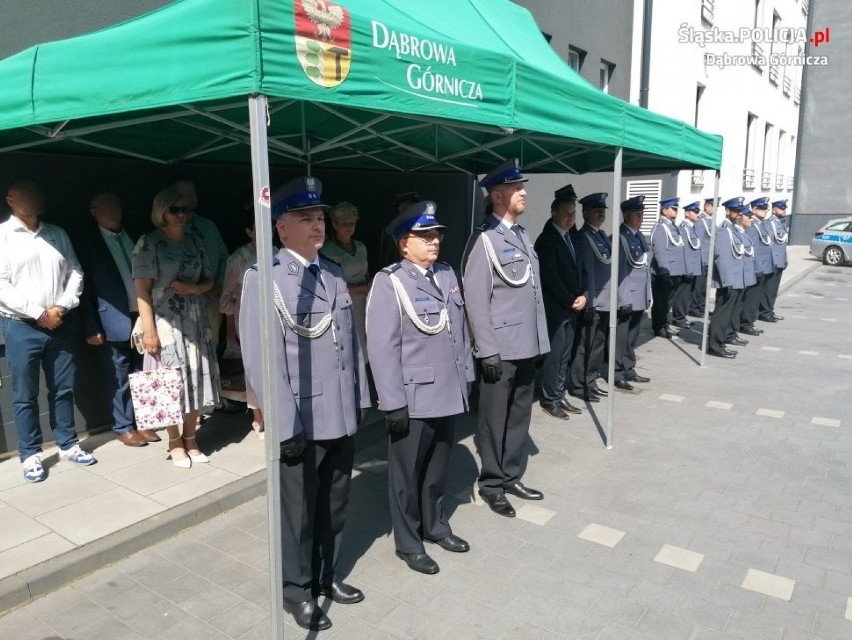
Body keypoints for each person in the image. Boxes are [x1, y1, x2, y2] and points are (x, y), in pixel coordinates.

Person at [239, 177, 370, 632]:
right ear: (282, 229)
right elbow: (261, 359)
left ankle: (325, 578)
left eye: (320, 218)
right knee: (298, 515)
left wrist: (360, 398)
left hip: (339, 413)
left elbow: (350, 343)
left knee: (333, 505)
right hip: (301, 419)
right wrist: (283, 424)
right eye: (306, 218)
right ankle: (296, 590)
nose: (318, 225)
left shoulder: (332, 271)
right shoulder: (264, 278)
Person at [366, 200, 473, 575]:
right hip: (414, 397)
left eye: (436, 234)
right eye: (424, 236)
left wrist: (467, 380)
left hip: (447, 391)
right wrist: (392, 402)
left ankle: (435, 525)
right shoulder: (390, 282)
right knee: (406, 474)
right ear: (403, 244)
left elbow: (459, 331)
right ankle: (408, 541)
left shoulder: (446, 274)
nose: (434, 241)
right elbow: (381, 348)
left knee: (438, 468)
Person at [462, 158, 549, 518]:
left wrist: (541, 341)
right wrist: (487, 351)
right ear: (497, 196)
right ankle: (492, 483)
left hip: (527, 344)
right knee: (494, 418)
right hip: (501, 348)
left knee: (519, 415)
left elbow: (533, 293)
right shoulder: (484, 240)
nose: (524, 191)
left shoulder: (522, 235)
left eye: (522, 186)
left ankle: (511, 474)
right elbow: (475, 299)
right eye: (516, 188)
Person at [0, 180, 95, 483]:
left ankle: (68, 444)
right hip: (20, 327)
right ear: (11, 201)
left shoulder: (57, 233)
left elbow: (76, 271)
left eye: (38, 194)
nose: (34, 200)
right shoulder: (2, 236)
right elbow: (1, 286)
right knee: (25, 395)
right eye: (27, 195)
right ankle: (30, 454)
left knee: (63, 388)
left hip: (60, 323)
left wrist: (61, 308)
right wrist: (40, 313)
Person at [133, 186, 220, 468]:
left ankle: (191, 437)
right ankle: (174, 441)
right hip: (164, 321)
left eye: (186, 210)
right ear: (162, 211)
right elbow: (142, 291)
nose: (182, 215)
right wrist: (149, 331)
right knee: (169, 384)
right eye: (175, 210)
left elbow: (209, 281)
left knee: (195, 379)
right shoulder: (149, 243)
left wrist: (194, 287)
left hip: (195, 320)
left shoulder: (195, 241)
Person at [77, 191, 159, 447]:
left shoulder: (135, 235)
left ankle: (146, 421)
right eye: (108, 207)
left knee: (143, 372)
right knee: (118, 376)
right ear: (94, 212)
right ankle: (124, 426)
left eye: (118, 206)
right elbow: (85, 289)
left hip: (142, 315)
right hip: (112, 321)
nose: (115, 212)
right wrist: (91, 326)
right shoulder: (88, 243)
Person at [534, 184, 586, 420]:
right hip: (556, 309)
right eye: (566, 213)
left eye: (573, 213)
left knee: (565, 355)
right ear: (554, 214)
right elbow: (550, 277)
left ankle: (559, 393)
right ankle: (549, 398)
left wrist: (584, 294)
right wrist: (571, 300)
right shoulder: (547, 240)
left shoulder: (571, 238)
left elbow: (580, 270)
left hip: (572, 307)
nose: (571, 217)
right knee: (554, 357)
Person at [219, 206, 263, 438]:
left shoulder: (276, 251)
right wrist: (228, 330)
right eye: (258, 226)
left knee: (274, 365)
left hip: (273, 316)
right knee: (252, 367)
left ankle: (274, 411)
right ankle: (257, 417)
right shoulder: (239, 257)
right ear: (249, 231)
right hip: (245, 316)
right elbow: (226, 295)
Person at [171, 178, 229, 349]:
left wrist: (218, 285)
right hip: (181, 306)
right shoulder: (167, 232)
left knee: (211, 349)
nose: (188, 199)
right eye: (183, 194)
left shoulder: (208, 226)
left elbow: (224, 256)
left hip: (211, 302)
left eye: (191, 194)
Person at [568, 192, 612, 403]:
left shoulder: (601, 235)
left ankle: (590, 381)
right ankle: (578, 384)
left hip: (605, 301)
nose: (601, 214)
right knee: (584, 345)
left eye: (603, 210)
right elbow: (588, 272)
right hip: (593, 301)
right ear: (585, 212)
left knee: (597, 345)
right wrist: (590, 301)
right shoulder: (583, 237)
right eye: (597, 210)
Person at [321, 201, 370, 359]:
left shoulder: (361, 247)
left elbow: (366, 275)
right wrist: (361, 289)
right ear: (334, 224)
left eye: (352, 223)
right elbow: (328, 286)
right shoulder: (326, 251)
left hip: (364, 305)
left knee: (364, 349)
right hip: (342, 305)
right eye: (344, 223)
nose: (348, 227)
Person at [614, 196, 652, 390]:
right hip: (628, 296)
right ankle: (617, 372)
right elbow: (620, 271)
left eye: (641, 214)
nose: (640, 217)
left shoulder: (638, 236)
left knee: (632, 337)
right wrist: (623, 298)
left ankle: (629, 368)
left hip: (639, 296)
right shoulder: (620, 237)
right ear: (626, 215)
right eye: (637, 214)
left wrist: (647, 294)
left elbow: (644, 267)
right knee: (621, 338)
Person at [706, 197, 747, 358]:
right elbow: (720, 257)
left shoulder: (734, 229)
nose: (739, 214)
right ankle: (715, 345)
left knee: (727, 313)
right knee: (721, 314)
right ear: (728, 211)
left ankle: (720, 341)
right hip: (728, 280)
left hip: (735, 279)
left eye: (740, 211)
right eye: (736, 211)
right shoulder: (724, 230)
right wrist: (726, 280)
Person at [650, 197, 688, 337]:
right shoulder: (660, 227)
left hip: (675, 272)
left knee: (668, 302)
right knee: (661, 302)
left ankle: (664, 324)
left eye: (677, 208)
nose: (676, 211)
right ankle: (658, 326)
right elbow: (660, 250)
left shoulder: (673, 227)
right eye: (674, 208)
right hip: (664, 272)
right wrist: (664, 271)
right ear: (664, 210)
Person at [741, 197, 774, 336]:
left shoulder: (761, 224)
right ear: (753, 210)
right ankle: (746, 323)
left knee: (756, 297)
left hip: (763, 267)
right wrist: (755, 268)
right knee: (751, 298)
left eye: (766, 208)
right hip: (757, 269)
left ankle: (749, 321)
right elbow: (751, 249)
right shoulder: (753, 227)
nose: (765, 211)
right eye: (761, 208)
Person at [672, 201, 703, 328]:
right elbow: (683, 250)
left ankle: (682, 316)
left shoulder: (691, 227)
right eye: (695, 212)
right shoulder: (683, 228)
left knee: (688, 293)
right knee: (682, 293)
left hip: (693, 267)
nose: (697, 214)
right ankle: (678, 317)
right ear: (687, 213)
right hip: (687, 267)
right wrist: (686, 268)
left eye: (697, 211)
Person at [759, 199, 789, 322]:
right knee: (769, 289)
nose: (784, 210)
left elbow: (783, 244)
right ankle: (765, 311)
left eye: (784, 208)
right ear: (774, 209)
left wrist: (785, 259)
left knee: (773, 289)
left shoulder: (781, 222)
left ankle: (770, 310)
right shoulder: (769, 223)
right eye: (781, 208)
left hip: (780, 260)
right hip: (773, 261)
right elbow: (769, 243)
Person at [688, 198, 715, 317]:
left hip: (709, 259)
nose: (715, 209)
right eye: (713, 206)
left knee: (705, 286)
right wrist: (699, 260)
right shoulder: (701, 221)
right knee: (698, 287)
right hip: (702, 259)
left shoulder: (710, 220)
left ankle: (702, 306)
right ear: (706, 206)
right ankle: (694, 308)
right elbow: (697, 242)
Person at [379, 191, 419, 268]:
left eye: (408, 203)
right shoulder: (390, 231)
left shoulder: (427, 229)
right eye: (400, 205)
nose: (402, 207)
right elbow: (386, 258)